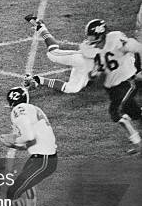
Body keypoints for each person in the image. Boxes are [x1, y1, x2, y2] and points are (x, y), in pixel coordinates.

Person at [0, 87, 57, 206]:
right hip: (42, 157)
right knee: (27, 183)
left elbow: (29, 137)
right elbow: (31, 143)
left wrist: (14, 139)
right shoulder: (34, 108)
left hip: (44, 160)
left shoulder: (18, 110)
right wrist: (13, 145)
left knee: (14, 191)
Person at [80, 19, 142, 155]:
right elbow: (92, 75)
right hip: (112, 89)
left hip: (127, 82)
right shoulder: (89, 48)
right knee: (136, 114)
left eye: (91, 35)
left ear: (100, 34)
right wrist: (93, 74)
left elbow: (137, 47)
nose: (88, 38)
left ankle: (139, 145)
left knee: (116, 112)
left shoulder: (115, 38)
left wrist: (139, 69)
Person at [23, 15, 97, 94]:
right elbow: (86, 49)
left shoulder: (108, 45)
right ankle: (41, 27)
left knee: (72, 89)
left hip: (88, 64)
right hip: (82, 59)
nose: (89, 38)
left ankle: (38, 80)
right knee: (53, 53)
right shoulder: (99, 46)